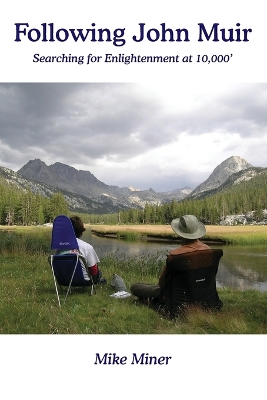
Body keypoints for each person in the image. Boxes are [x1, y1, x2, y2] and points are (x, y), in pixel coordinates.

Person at [130, 214, 212, 304]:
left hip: (176, 297)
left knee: (135, 287)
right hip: (202, 294)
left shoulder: (175, 255)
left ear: (180, 234)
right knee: (149, 286)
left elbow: (162, 283)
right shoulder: (209, 250)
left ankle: (152, 300)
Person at [69, 215, 106, 285]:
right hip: (84, 281)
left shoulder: (60, 247)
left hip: (63, 280)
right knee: (98, 271)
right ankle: (98, 281)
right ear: (81, 230)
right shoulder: (86, 247)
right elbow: (93, 270)